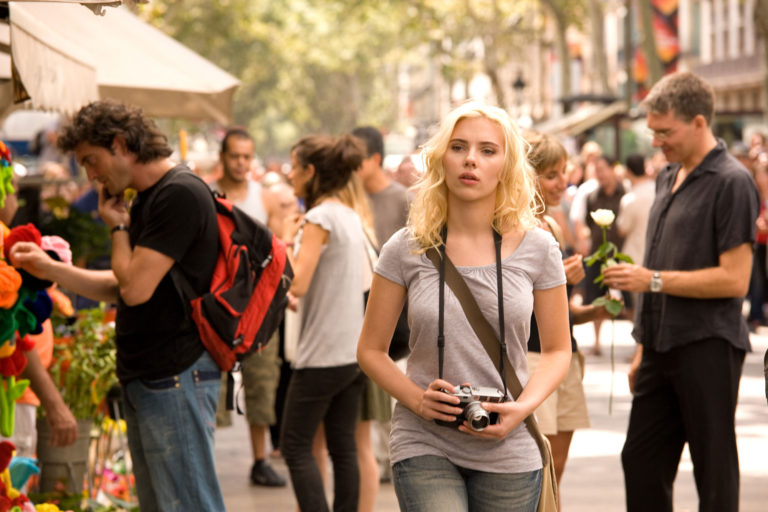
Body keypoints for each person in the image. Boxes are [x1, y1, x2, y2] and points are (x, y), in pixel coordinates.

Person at [9, 100, 225, 511]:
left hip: (175, 376)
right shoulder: (146, 198)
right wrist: (48, 269)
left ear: (122, 144)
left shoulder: (178, 194)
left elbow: (135, 288)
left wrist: (120, 228)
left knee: (189, 503)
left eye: (92, 161)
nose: (90, 176)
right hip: (154, 377)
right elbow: (121, 284)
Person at [356, 102, 571, 511]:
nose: (471, 159)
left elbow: (559, 350)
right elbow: (370, 350)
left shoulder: (538, 248)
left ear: (507, 166)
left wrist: (522, 408)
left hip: (509, 442)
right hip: (424, 440)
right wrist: (418, 400)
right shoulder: (405, 247)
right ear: (441, 159)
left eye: (488, 150)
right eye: (459, 147)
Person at [602, 71, 759, 512]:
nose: (656, 141)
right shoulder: (666, 175)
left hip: (707, 342)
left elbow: (735, 280)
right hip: (658, 346)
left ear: (698, 122)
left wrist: (650, 280)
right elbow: (659, 257)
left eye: (664, 131)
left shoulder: (732, 181)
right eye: (652, 131)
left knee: (713, 468)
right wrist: (640, 348)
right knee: (640, 460)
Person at [279, 134, 368, 512]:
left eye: (294, 167)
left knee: (294, 445)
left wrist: (284, 242)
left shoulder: (317, 218)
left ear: (311, 171)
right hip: (352, 352)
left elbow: (296, 282)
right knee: (343, 446)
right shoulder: (349, 215)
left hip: (322, 354)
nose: (290, 175)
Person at [524, 131, 609, 511]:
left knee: (555, 472)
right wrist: (556, 278)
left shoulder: (553, 227)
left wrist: (596, 310)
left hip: (564, 355)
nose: (563, 183)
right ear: (526, 176)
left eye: (564, 173)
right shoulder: (514, 229)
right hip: (530, 357)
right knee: (532, 473)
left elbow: (558, 311)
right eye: (551, 174)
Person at [210, 127, 286, 487]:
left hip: (258, 311)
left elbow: (278, 254)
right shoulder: (207, 194)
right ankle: (204, 458)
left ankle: (260, 460)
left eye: (246, 156)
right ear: (222, 157)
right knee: (209, 383)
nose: (241, 163)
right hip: (216, 308)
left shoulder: (266, 199)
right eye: (234, 156)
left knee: (261, 383)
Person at [351, 125, 410, 506]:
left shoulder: (403, 199)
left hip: (403, 317)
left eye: (355, 155)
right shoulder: (350, 202)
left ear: (374, 158)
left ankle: (395, 456)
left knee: (393, 393)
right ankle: (376, 457)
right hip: (361, 311)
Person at [583, 154, 625, 355]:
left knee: (630, 297)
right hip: (598, 253)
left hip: (620, 253)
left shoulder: (624, 193)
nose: (599, 174)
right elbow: (588, 223)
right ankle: (597, 341)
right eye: (596, 170)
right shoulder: (593, 196)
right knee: (595, 296)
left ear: (612, 168)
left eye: (602, 169)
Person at [615, 153, 655, 320]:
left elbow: (622, 229)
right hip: (655, 255)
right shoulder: (657, 189)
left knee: (638, 308)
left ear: (628, 171)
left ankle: (640, 344)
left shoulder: (630, 199)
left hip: (635, 257)